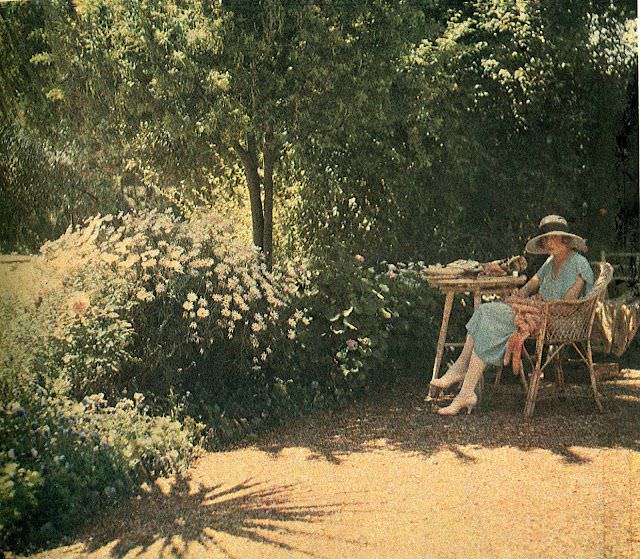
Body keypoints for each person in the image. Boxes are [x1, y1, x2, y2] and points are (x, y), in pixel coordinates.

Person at [430, 215, 594, 416]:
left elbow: (568, 306)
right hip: (538, 311)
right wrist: (520, 296)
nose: (548, 243)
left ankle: (463, 382)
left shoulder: (580, 263)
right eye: (545, 239)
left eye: (552, 238)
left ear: (566, 239)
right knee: (485, 312)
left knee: (491, 322)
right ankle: (463, 380)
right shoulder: (549, 263)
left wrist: (532, 305)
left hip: (561, 320)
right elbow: (530, 286)